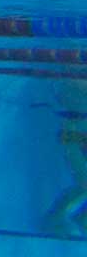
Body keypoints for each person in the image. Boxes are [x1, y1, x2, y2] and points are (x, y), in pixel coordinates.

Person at [43, 78, 87, 237]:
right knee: (84, 182)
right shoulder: (72, 75)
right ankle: (55, 218)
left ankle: (82, 217)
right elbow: (71, 84)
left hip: (79, 131)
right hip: (73, 134)